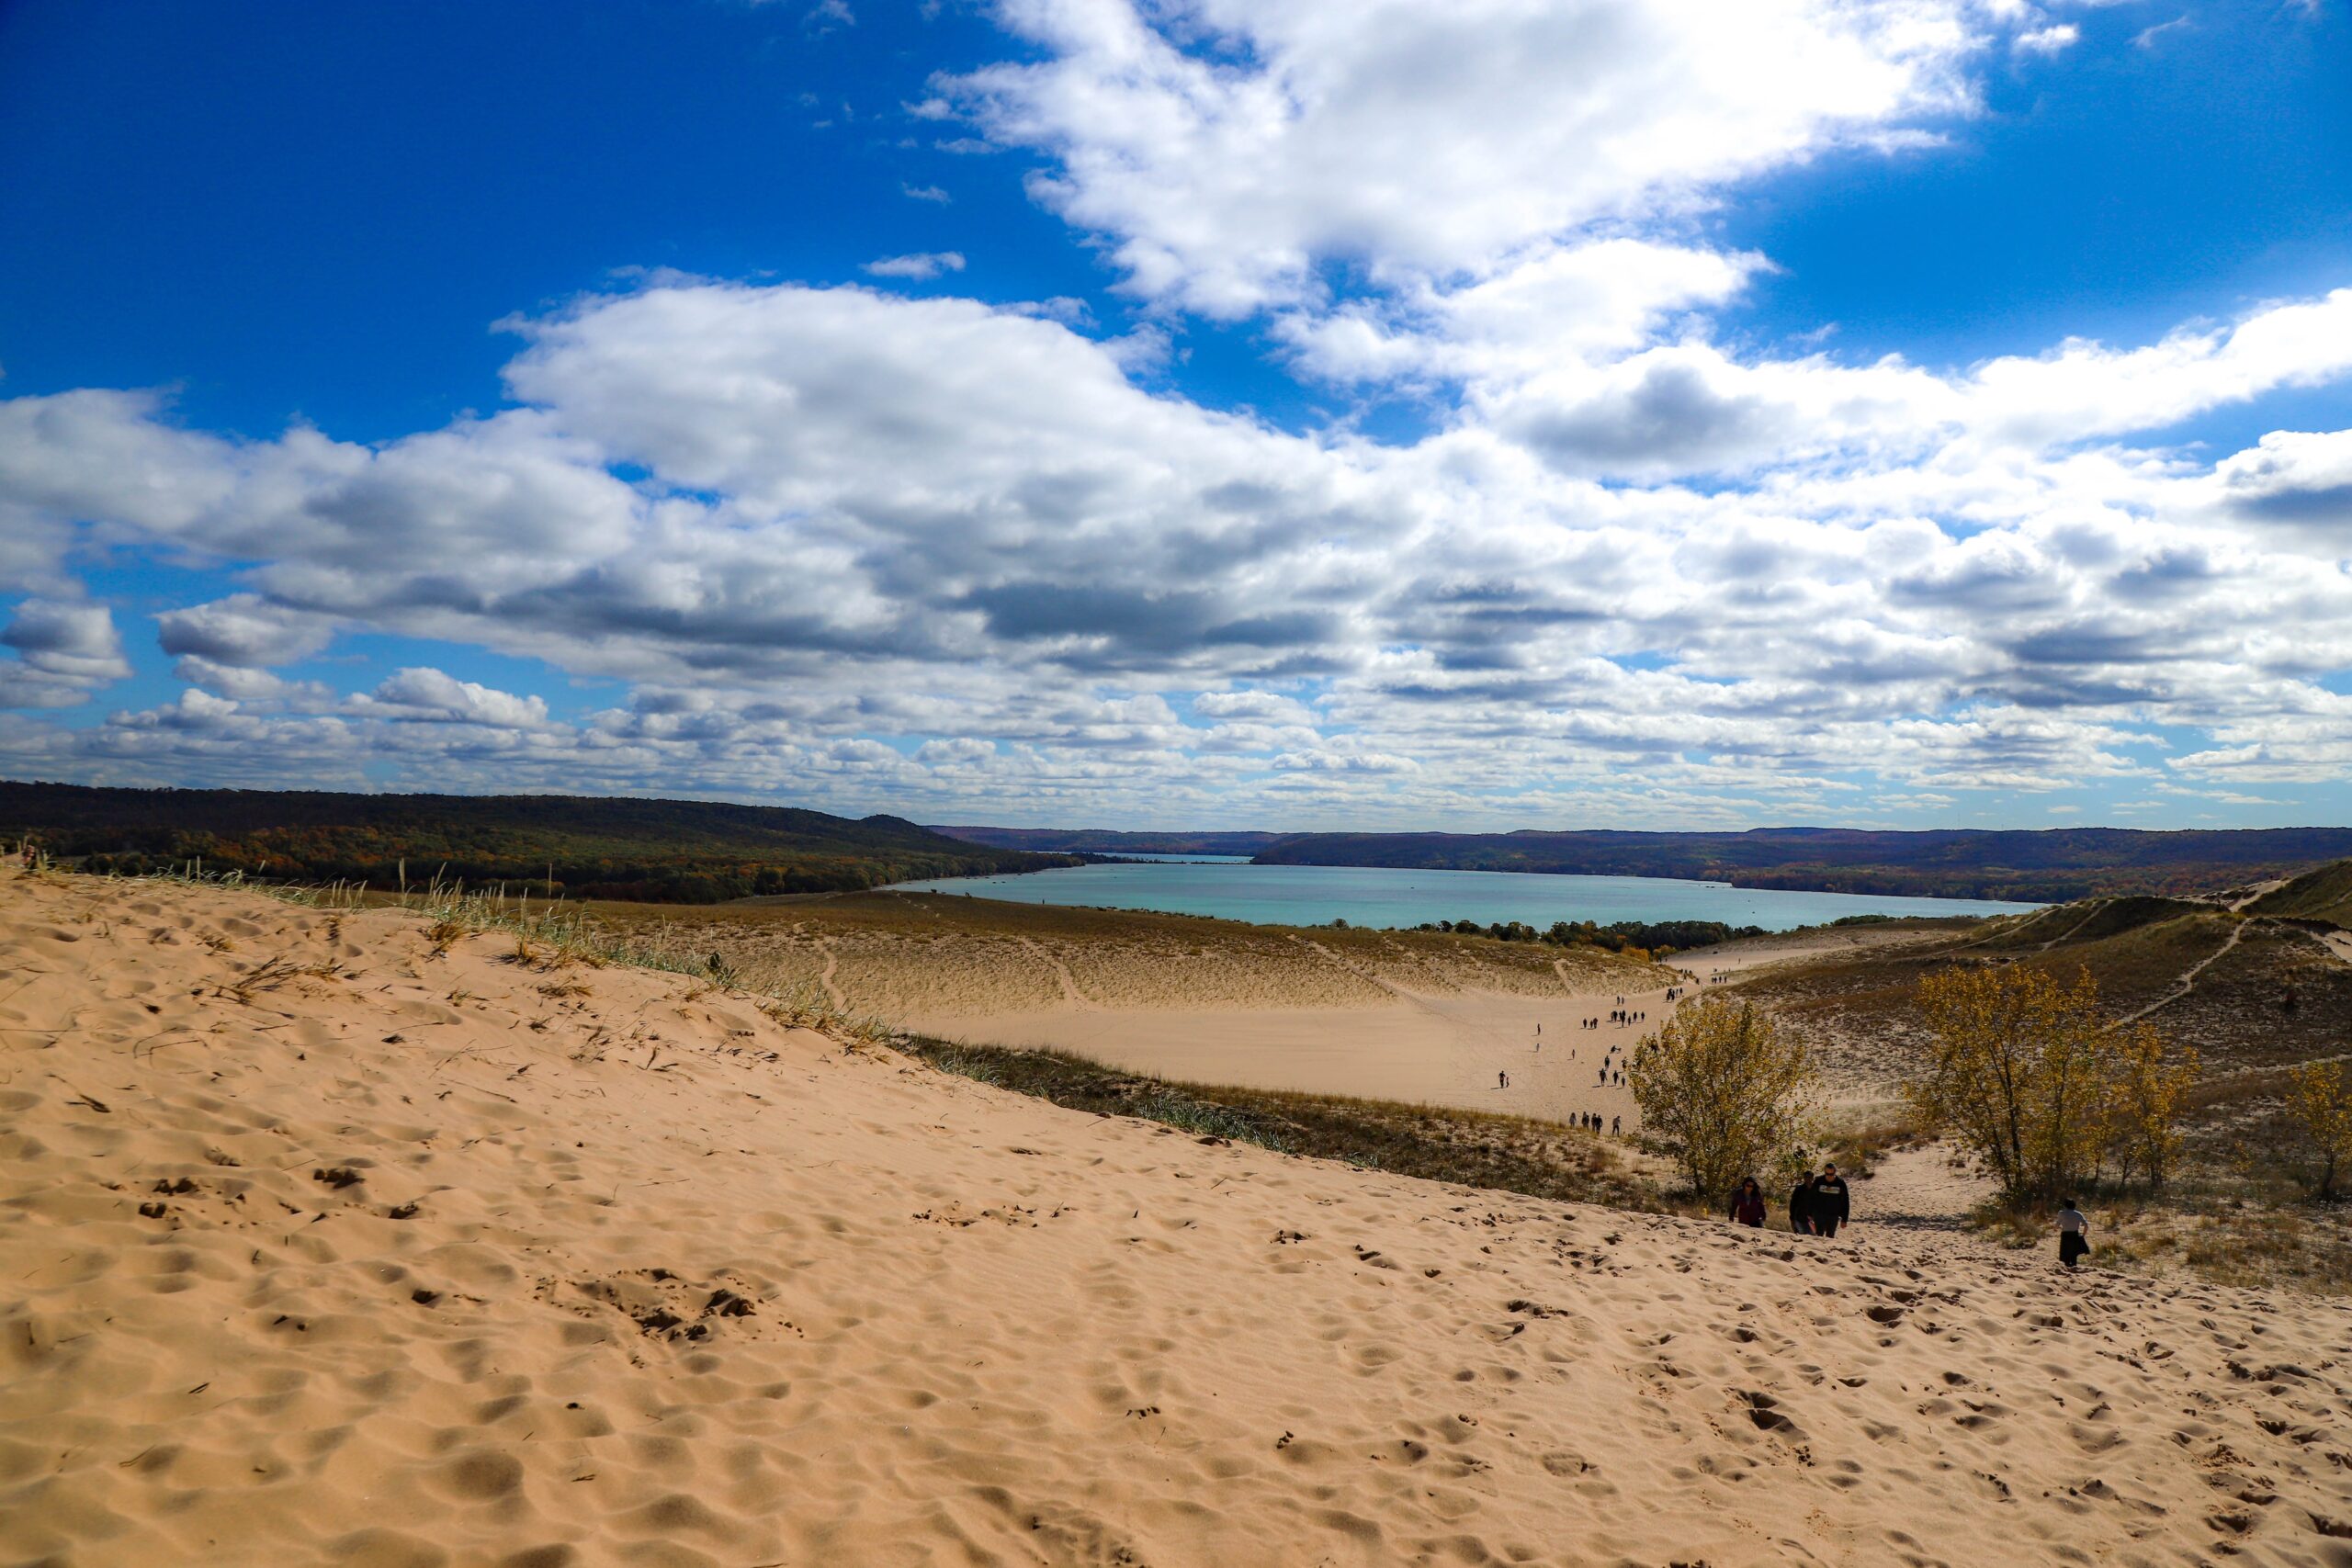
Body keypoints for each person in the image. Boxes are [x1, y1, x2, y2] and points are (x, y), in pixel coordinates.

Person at [1812, 1164, 1850, 1238]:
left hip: (1833, 1215)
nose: (1829, 1176)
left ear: (1835, 1173)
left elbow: (1845, 1201)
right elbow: (1811, 1197)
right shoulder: (1818, 1181)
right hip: (1819, 1213)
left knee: (1830, 1236)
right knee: (1819, 1235)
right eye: (1827, 1174)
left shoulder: (1840, 1183)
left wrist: (1844, 1219)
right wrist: (1810, 1213)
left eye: (1831, 1174)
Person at [2056, 1201, 2090, 1269]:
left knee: (2065, 1251)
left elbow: (2058, 1223)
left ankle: (2066, 1267)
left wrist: (2055, 1228)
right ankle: (2074, 1266)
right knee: (2074, 1252)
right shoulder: (2078, 1214)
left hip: (2065, 1234)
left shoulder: (2061, 1213)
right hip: (2075, 1234)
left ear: (2065, 1206)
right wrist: (2083, 1235)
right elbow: (2086, 1225)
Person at [1788, 1168, 1817, 1235]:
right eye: (1806, 1177)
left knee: (1812, 1237)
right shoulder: (1799, 1189)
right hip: (1799, 1218)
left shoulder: (1816, 1190)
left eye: (1809, 1177)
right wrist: (1792, 1218)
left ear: (1812, 1178)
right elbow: (1793, 1204)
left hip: (1812, 1219)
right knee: (1801, 1237)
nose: (1808, 1179)